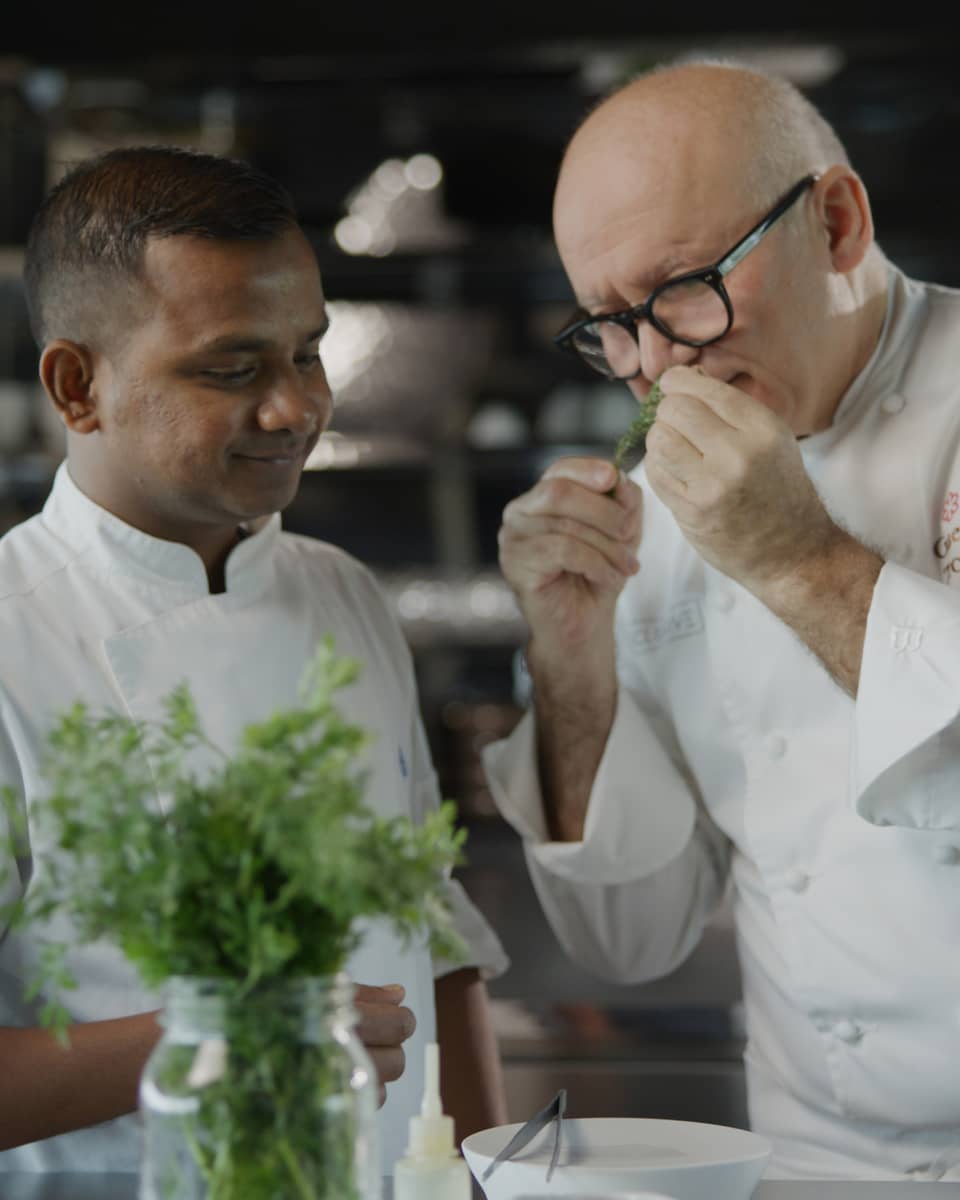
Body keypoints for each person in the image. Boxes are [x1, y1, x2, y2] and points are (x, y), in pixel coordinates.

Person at [482, 58, 960, 1181]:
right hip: (808, 1158)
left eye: (684, 287)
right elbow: (629, 939)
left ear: (838, 222)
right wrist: (570, 660)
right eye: (608, 324)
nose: (651, 366)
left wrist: (795, 561)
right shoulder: (659, 502)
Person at [0, 144, 508, 1173]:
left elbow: (434, 936)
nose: (295, 410)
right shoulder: (14, 635)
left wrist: (484, 1172)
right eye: (232, 369)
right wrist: (235, 1032)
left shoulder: (342, 593)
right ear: (75, 385)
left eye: (307, 354)